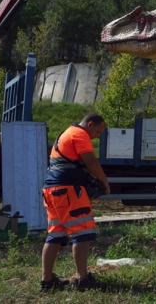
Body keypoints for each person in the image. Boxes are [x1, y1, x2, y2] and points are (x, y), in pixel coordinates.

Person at [41, 114, 110, 292]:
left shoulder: (65, 134)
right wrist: (104, 182)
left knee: (54, 234)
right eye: (97, 131)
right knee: (83, 232)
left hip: (51, 190)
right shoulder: (79, 134)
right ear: (90, 124)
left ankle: (47, 281)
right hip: (68, 190)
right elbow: (90, 161)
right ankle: (82, 279)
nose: (97, 136)